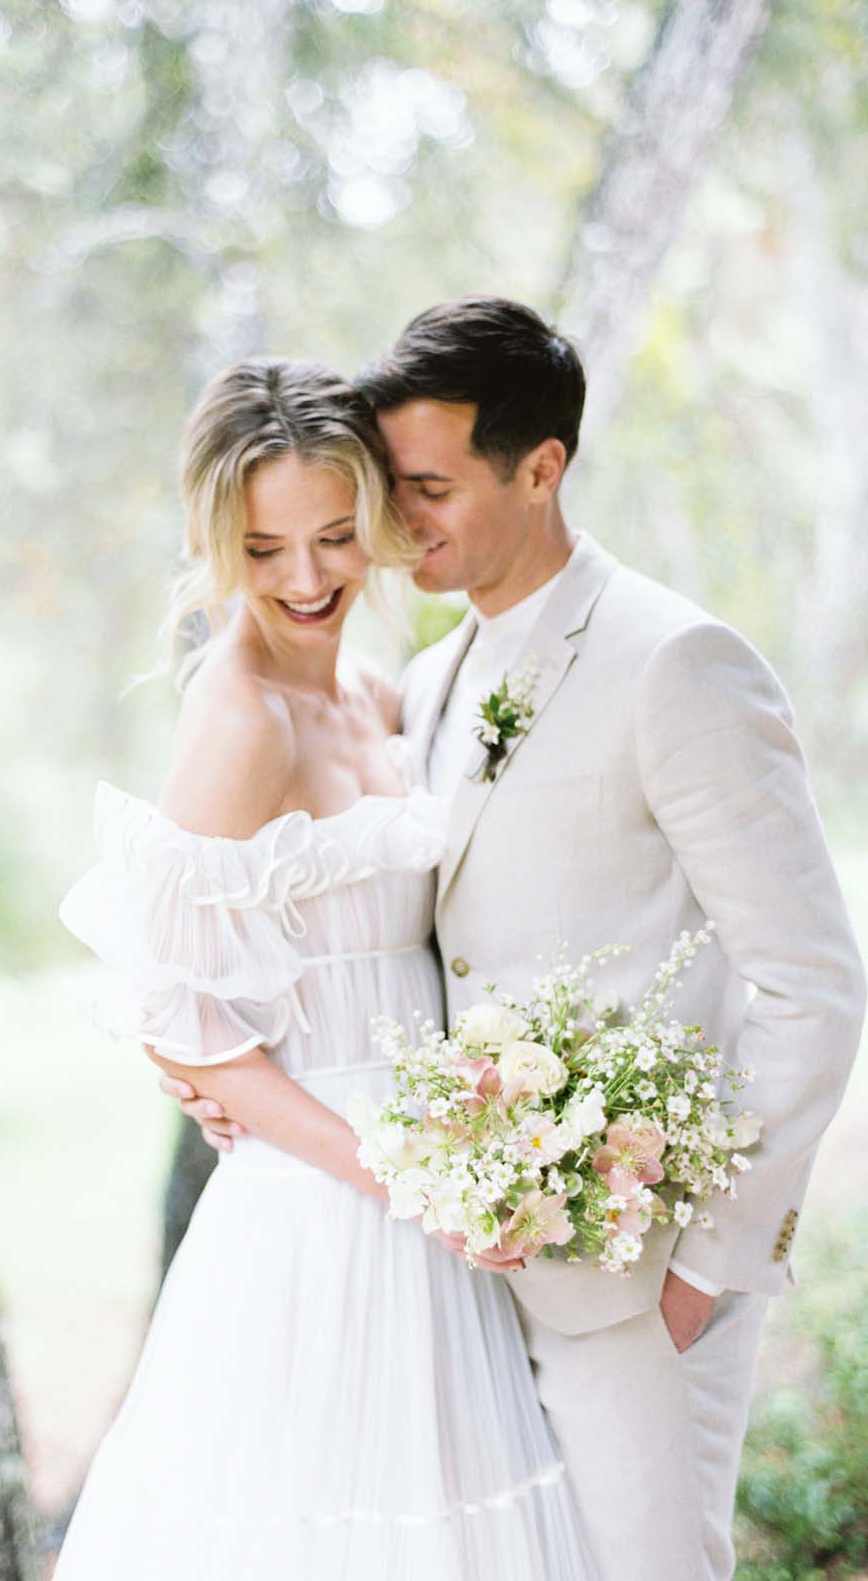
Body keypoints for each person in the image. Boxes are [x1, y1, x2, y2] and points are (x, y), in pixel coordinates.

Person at [165, 297, 867, 1581]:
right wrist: (234, 1071)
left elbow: (813, 986)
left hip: (637, 1280)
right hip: (457, 1284)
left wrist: (709, 1265)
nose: (397, 520)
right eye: (392, 485)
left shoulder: (678, 664)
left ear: (541, 469)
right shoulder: (426, 685)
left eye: (428, 487)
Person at [54, 356, 597, 1579]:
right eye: (263, 549)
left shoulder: (379, 694)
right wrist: (408, 1178)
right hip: (321, 1217)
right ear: (217, 544)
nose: (306, 579)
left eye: (335, 537)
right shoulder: (240, 718)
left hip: (437, 1201)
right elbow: (186, 1028)